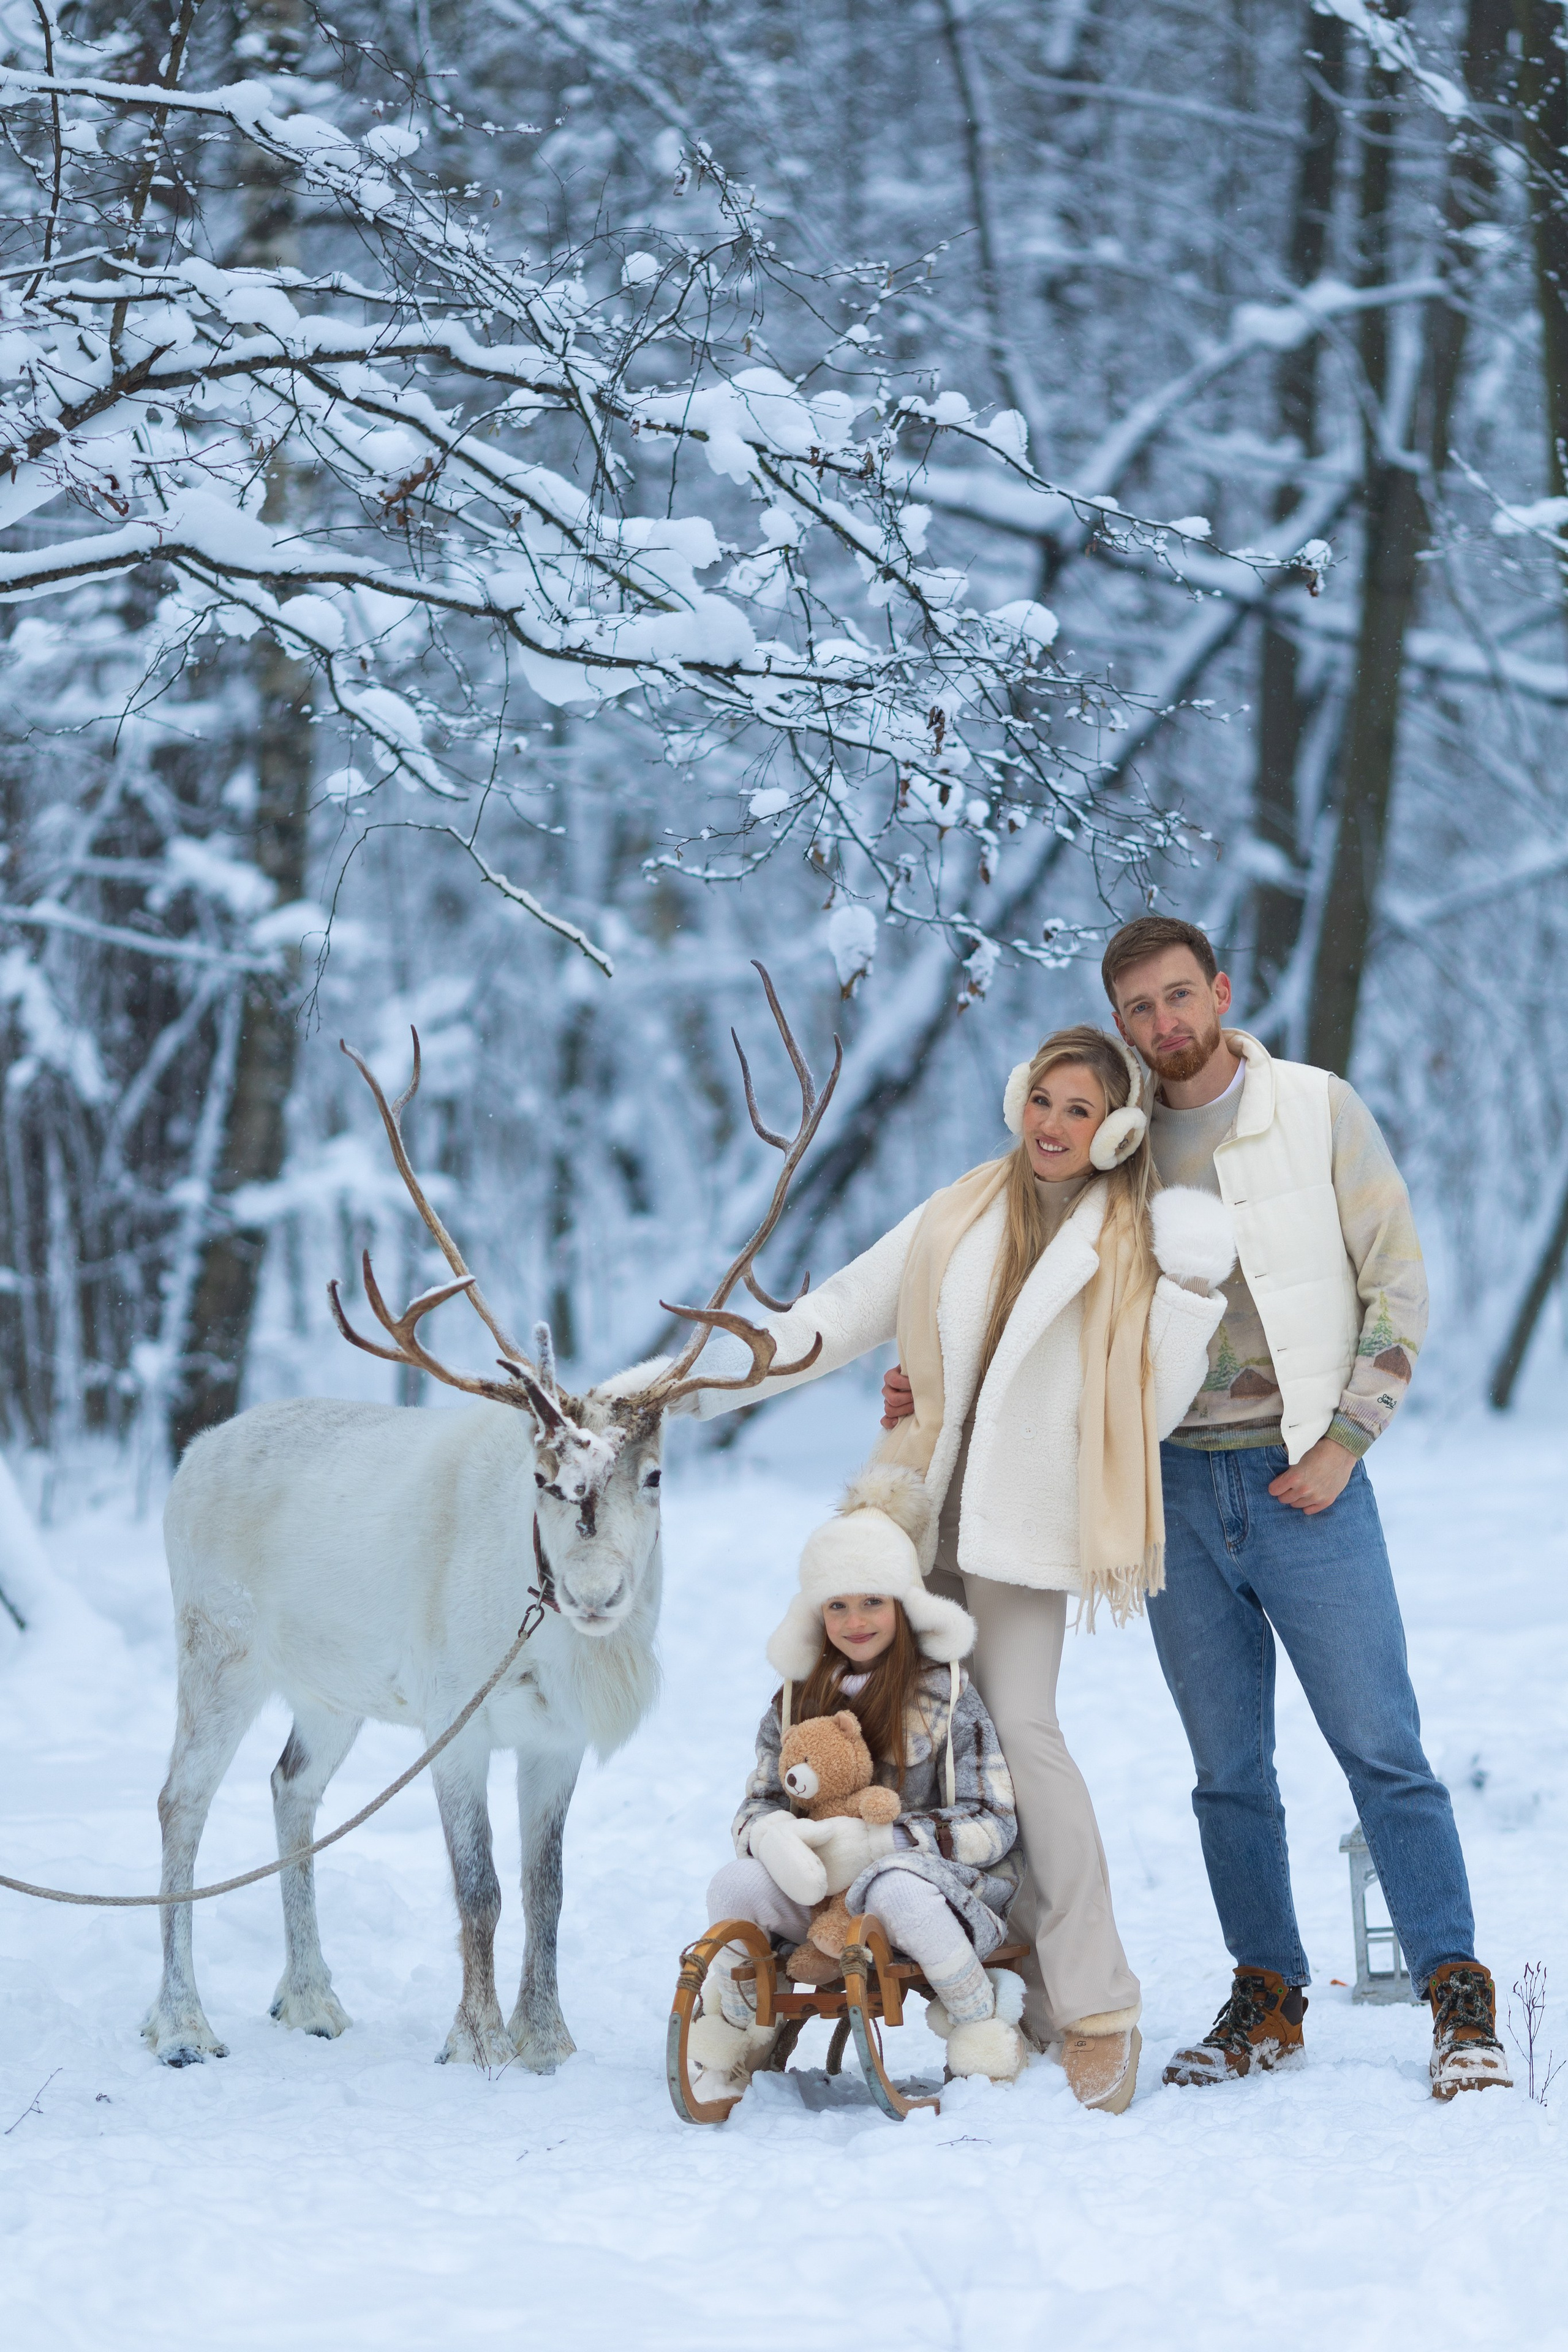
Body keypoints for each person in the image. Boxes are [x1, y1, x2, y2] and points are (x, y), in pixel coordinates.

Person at [693, 1023, 1236, 2111]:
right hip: (915, 1511)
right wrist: (681, 1386)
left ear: (1120, 1128)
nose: (1053, 1125)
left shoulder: (1129, 1242)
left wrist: (1188, 1295)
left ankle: (1094, 2003)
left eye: (1080, 1110)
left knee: (1022, 1734)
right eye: (1043, 1100)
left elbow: (1150, 1406)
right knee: (870, 1722)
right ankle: (812, 1954)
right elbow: (838, 1316)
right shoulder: (959, 1209)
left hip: (1028, 1528)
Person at [1094, 912, 1510, 2100]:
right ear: (1121, 1024)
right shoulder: (1117, 1145)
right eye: (1140, 1008)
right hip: (1172, 1486)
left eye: (1180, 995)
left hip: (1306, 1483)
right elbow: (1042, 1289)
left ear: (1220, 990)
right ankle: (1264, 1999)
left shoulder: (1317, 1109)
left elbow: (1397, 1284)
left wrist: (1343, 1442)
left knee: (1380, 1747)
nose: (1165, 1023)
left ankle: (1455, 1996)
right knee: (1225, 1767)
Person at [688, 1474, 1028, 2105]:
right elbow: (757, 1802)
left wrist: (876, 1845)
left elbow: (995, 1820)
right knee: (733, 1885)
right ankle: (740, 2030)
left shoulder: (948, 1697)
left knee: (893, 1887)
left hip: (936, 1889)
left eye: (872, 1602)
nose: (855, 1621)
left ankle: (979, 2023)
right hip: (819, 1901)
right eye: (837, 1605)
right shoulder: (794, 1700)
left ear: (902, 1606)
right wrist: (772, 1836)